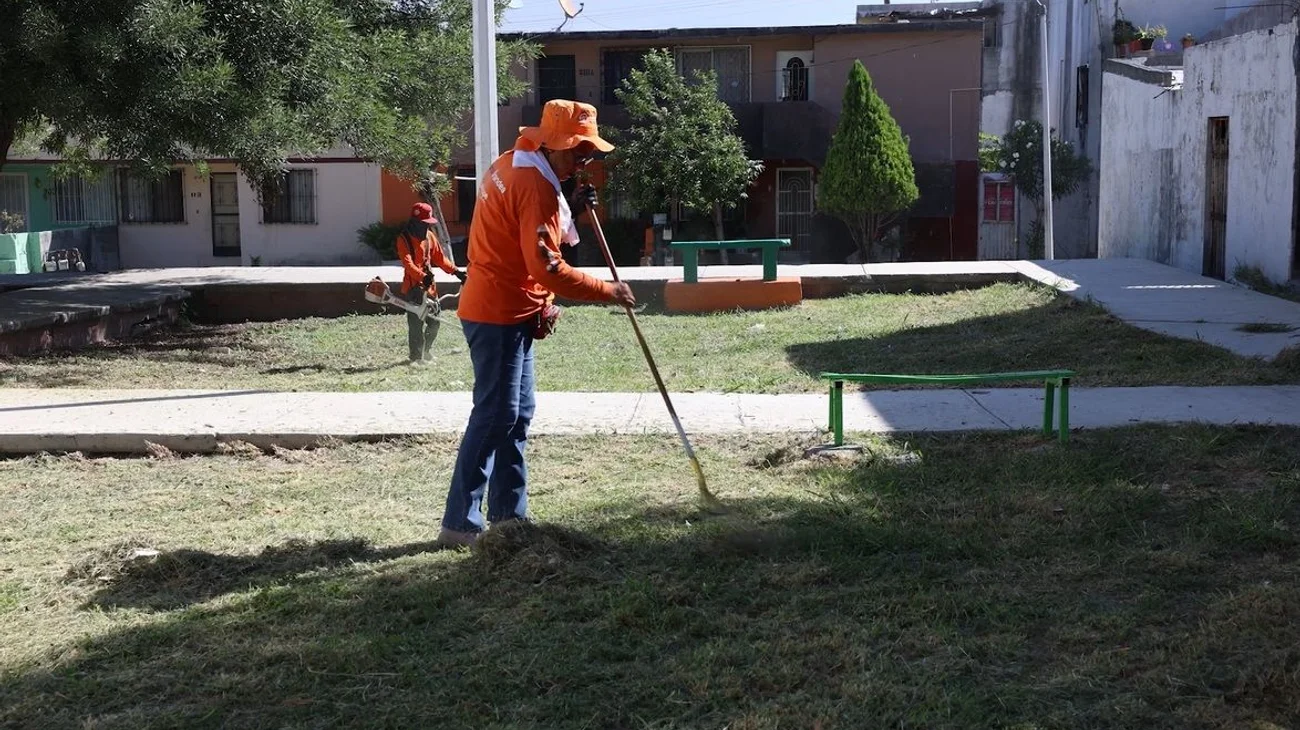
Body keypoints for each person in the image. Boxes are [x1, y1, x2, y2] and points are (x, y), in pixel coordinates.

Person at [437, 99, 636, 547]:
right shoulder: (535, 186)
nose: (585, 160)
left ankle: (509, 517)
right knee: (495, 415)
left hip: (512, 309)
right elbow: (547, 267)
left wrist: (569, 202)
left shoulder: (514, 162)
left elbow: (525, 232)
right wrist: (607, 290)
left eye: (589, 152)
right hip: (498, 313)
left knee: (517, 414)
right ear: (551, 144)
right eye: (578, 150)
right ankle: (459, 524)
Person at [395, 202, 465, 364]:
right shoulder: (403, 239)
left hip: (430, 288)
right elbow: (408, 263)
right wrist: (421, 276)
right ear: (414, 222)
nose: (425, 227)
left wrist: (456, 272)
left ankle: (426, 352)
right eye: (423, 224)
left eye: (427, 224)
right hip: (413, 288)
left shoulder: (429, 236)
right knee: (415, 325)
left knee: (435, 321)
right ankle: (415, 356)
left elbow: (441, 259)